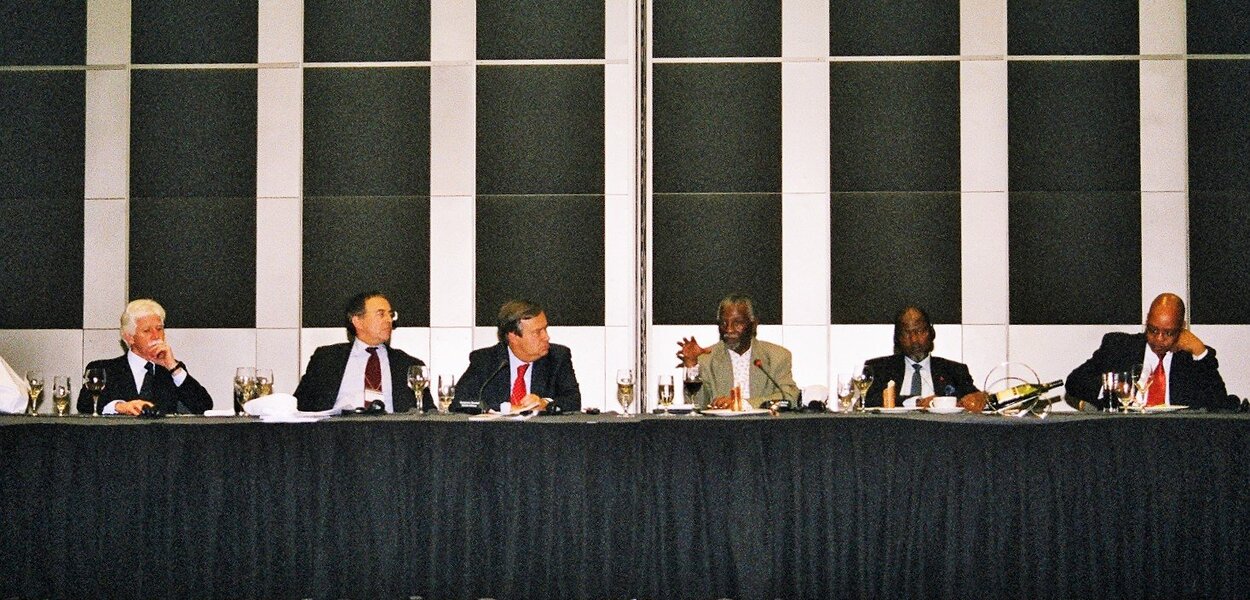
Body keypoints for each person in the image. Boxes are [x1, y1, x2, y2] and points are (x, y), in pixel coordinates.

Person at [1066, 292, 1233, 410]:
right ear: (1147, 321)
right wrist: (1112, 385)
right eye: (1153, 330)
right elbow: (1074, 382)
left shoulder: (1191, 359)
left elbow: (1220, 404)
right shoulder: (1119, 347)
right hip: (1125, 436)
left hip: (1177, 438)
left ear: (1182, 328)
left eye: (1168, 333)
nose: (1159, 338)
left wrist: (1200, 351)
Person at [294, 291, 434, 413]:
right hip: (338, 432)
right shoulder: (326, 359)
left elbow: (428, 414)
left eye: (390, 314)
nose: (389, 320)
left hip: (391, 433)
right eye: (381, 314)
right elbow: (299, 407)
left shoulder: (409, 365)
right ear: (358, 321)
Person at [77, 299, 213, 415]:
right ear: (130, 338)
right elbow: (84, 405)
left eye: (159, 329)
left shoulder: (173, 371)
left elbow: (204, 406)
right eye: (147, 331)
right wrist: (119, 407)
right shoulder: (104, 369)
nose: (156, 336)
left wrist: (173, 367)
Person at [455, 299, 581, 413]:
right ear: (513, 336)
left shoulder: (557, 357)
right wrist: (506, 408)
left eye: (545, 329)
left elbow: (573, 401)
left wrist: (545, 403)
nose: (546, 337)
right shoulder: (485, 360)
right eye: (537, 332)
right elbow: (460, 402)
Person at [676, 293, 799, 409]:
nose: (729, 330)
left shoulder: (777, 356)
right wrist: (692, 366)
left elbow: (789, 397)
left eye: (737, 323)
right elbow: (697, 406)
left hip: (764, 424)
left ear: (753, 325)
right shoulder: (707, 358)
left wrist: (743, 404)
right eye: (724, 323)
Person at [862, 305, 986, 410]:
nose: (914, 339)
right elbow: (866, 401)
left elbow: (978, 397)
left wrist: (982, 398)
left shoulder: (954, 370)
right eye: (906, 333)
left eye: (920, 331)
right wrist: (916, 402)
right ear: (897, 338)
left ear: (931, 333)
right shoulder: (878, 368)